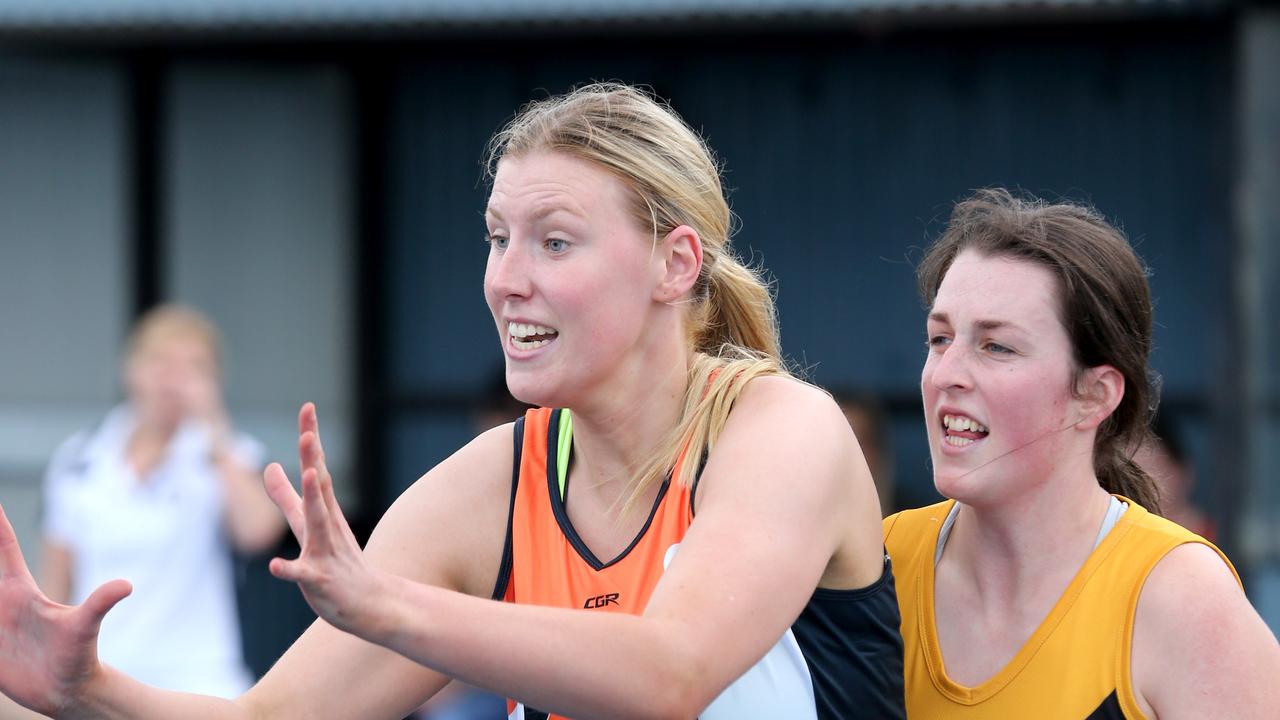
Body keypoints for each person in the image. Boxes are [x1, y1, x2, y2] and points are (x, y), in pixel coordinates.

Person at [0, 83, 904, 719]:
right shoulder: (497, 482)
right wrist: (83, 690)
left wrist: (387, 607)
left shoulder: (782, 430)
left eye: (554, 243)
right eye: (497, 238)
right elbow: (273, 719)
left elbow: (670, 676)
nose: (505, 280)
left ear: (676, 264)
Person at [883, 189, 1280, 718]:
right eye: (939, 338)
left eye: (996, 346)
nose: (945, 374)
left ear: (1094, 395)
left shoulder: (1178, 598)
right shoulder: (879, 564)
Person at [35, 304, 284, 699]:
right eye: (160, 362)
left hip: (202, 681)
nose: (174, 380)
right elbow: (55, 584)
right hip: (102, 675)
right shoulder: (80, 458)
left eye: (194, 366)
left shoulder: (229, 455)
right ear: (129, 369)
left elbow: (258, 532)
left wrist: (215, 432)